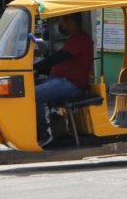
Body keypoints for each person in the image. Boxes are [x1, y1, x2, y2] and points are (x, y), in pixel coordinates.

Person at [34, 13, 95, 145]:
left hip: (71, 85)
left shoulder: (80, 39)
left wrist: (35, 67)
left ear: (71, 22)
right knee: (23, 88)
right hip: (59, 80)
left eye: (62, 22)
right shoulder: (74, 39)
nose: (60, 26)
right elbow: (59, 64)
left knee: (34, 94)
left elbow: (59, 58)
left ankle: (42, 133)